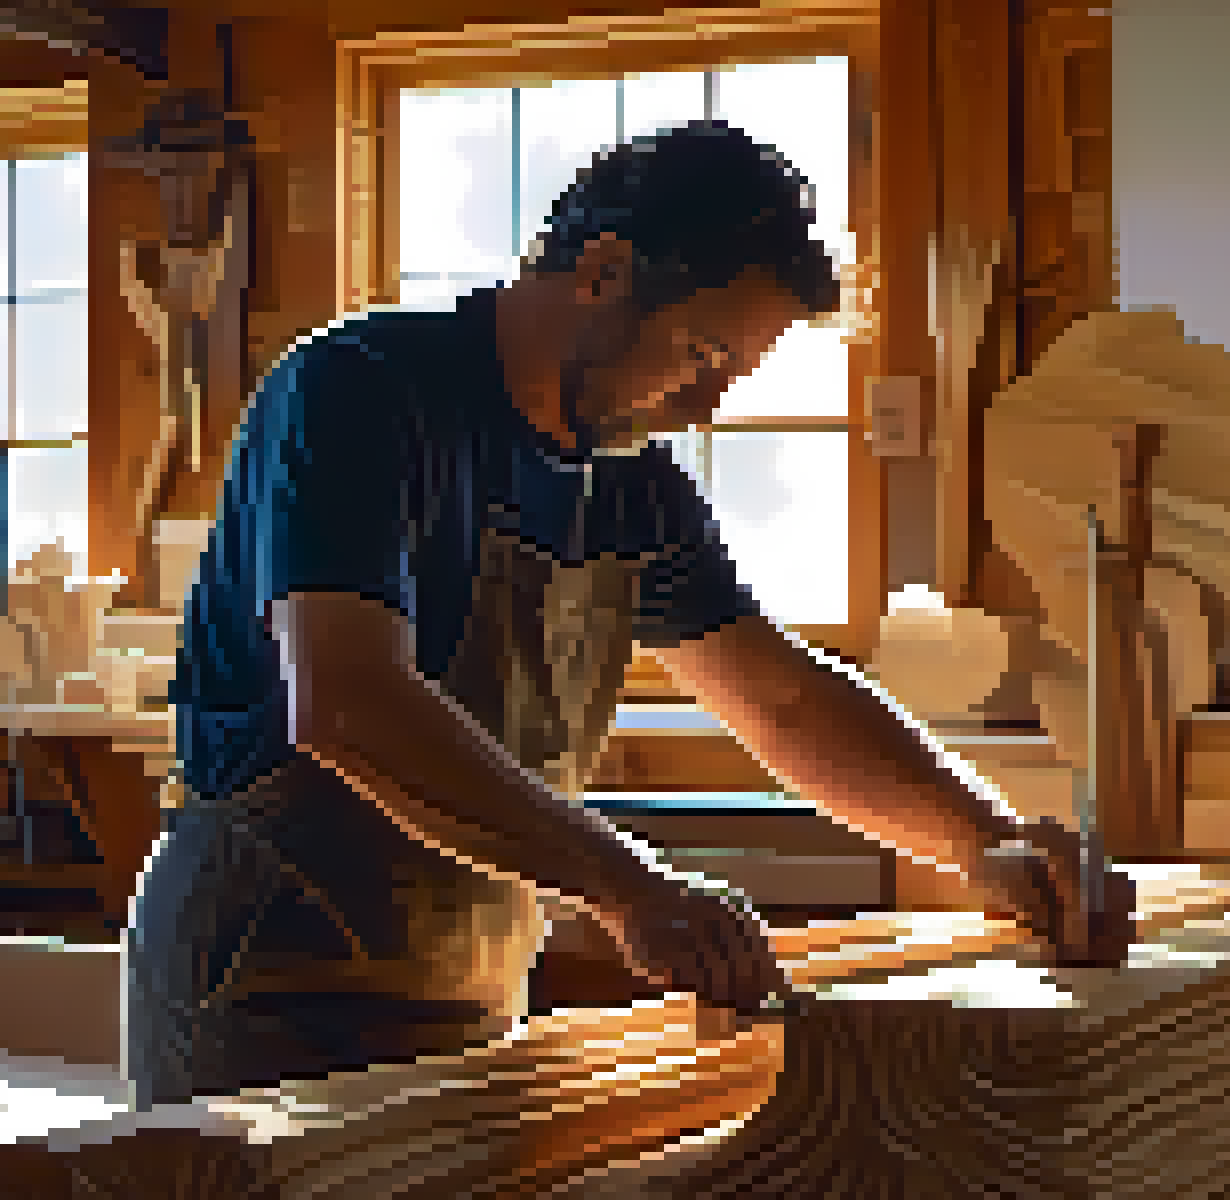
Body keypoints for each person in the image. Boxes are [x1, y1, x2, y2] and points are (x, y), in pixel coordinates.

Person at [125, 119, 1127, 1108]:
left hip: (460, 989)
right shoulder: (363, 391)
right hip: (266, 983)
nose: (704, 408)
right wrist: (632, 886)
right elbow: (349, 705)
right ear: (603, 270)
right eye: (699, 356)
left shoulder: (631, 486)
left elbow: (779, 699)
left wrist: (983, 839)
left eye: (731, 378)